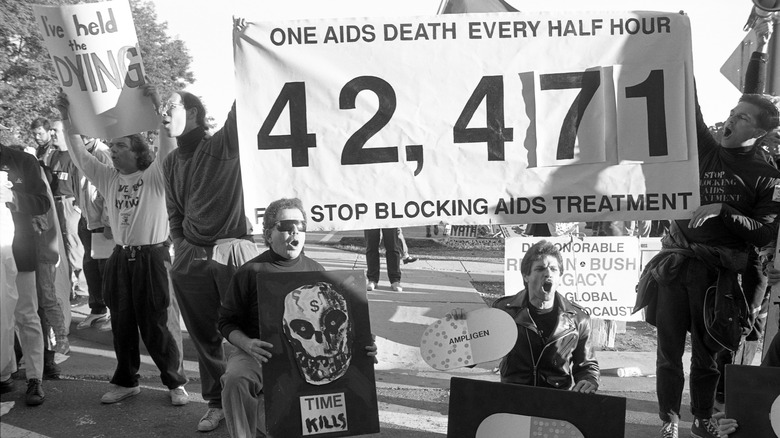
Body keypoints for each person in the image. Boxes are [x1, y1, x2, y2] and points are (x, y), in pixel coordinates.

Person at [56, 89, 189, 406]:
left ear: (137, 150)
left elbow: (168, 142)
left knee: (160, 322)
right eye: (112, 146)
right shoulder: (108, 177)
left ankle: (175, 383)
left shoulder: (156, 175)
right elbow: (80, 155)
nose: (112, 151)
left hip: (153, 257)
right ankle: (127, 382)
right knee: (123, 322)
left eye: (120, 146)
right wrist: (66, 118)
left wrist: (155, 108)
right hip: (120, 257)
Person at [218, 197, 377, 438]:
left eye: (300, 226)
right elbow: (225, 322)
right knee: (235, 379)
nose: (294, 232)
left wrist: (365, 344)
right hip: (259, 351)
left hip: (304, 354)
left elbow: (347, 321)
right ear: (269, 235)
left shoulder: (317, 271)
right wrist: (247, 344)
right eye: (285, 227)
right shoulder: (250, 272)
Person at [159, 78, 261, 430]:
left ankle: (257, 398)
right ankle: (216, 403)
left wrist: (246, 47)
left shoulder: (221, 146)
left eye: (167, 107)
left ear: (192, 113)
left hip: (234, 252)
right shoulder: (170, 162)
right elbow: (174, 211)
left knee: (250, 329)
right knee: (204, 335)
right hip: (191, 257)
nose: (161, 114)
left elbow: (243, 103)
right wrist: (182, 246)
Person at [454, 240, 599, 393]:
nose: (548, 273)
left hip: (555, 400)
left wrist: (589, 380)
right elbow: (473, 355)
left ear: (560, 276)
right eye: (540, 268)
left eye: (554, 269)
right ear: (526, 276)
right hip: (513, 396)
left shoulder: (578, 319)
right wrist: (458, 330)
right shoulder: (504, 311)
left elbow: (587, 365)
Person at [0, 142, 51, 406]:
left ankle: (35, 379)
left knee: (26, 314)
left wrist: (14, 198)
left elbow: (43, 203)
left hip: (19, 249)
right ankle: (4, 372)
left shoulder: (23, 161)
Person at [75, 135, 113, 332]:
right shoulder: (82, 153)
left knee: (106, 268)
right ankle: (97, 308)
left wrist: (107, 221)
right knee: (90, 267)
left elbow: (110, 188)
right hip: (87, 219)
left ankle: (115, 312)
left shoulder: (104, 153)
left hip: (101, 222)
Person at [364, 228, 403, 292]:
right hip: (371, 219)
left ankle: (395, 280)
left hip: (389, 219)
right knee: (371, 245)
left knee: (392, 246)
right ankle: (372, 279)